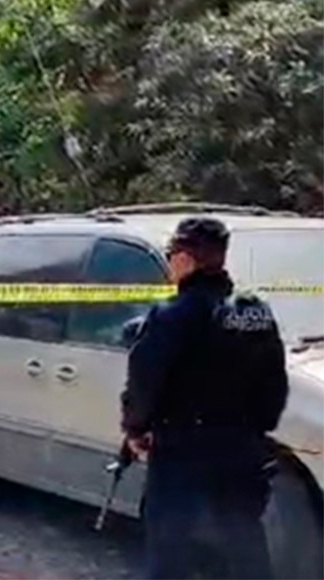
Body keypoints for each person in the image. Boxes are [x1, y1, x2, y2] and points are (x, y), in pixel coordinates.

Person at [122, 216, 288, 579]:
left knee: (171, 553)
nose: (169, 262)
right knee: (245, 547)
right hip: (242, 449)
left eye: (172, 254)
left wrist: (135, 430)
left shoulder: (172, 315)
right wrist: (255, 430)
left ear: (186, 258)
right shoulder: (254, 310)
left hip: (183, 453)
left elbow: (143, 382)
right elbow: (276, 383)